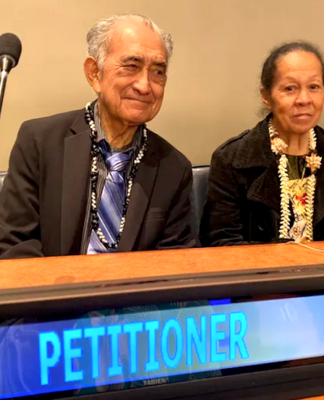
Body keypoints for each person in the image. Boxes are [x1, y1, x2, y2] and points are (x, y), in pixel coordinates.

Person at [0, 14, 196, 259]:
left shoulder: (174, 168)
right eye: (131, 66)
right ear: (94, 73)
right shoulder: (40, 142)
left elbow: (175, 261)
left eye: (158, 71)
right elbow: (15, 245)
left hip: (135, 296)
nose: (145, 86)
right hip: (51, 292)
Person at [200, 41, 324, 246]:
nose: (304, 99)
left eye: (314, 87)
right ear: (266, 96)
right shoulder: (232, 160)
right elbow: (221, 244)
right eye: (290, 88)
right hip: (262, 276)